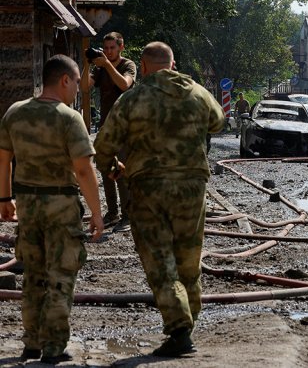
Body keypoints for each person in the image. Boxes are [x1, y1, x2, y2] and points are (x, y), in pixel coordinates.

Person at [93, 41, 225, 357]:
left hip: (147, 188)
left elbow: (104, 144)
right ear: (173, 63)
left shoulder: (131, 98)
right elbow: (218, 121)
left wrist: (113, 169)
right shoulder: (196, 92)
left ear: (145, 66)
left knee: (159, 260)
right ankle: (187, 323)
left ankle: (180, 331)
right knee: (188, 259)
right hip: (192, 187)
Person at [0, 54, 104, 364]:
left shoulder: (14, 113)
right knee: (60, 275)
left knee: (33, 275)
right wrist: (97, 213)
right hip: (61, 204)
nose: (77, 89)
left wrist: (4, 200)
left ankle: (31, 342)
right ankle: (54, 347)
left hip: (27, 205)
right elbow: (84, 170)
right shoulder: (69, 118)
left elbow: (3, 159)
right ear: (64, 80)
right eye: (76, 83)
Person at [81, 31, 137, 232]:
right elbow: (84, 88)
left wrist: (107, 65)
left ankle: (127, 216)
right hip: (106, 127)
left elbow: (124, 84)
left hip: (124, 128)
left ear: (121, 47)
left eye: (112, 47)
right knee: (106, 171)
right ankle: (112, 212)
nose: (108, 51)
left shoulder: (128, 65)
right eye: (105, 48)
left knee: (121, 171)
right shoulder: (101, 67)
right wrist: (88, 63)